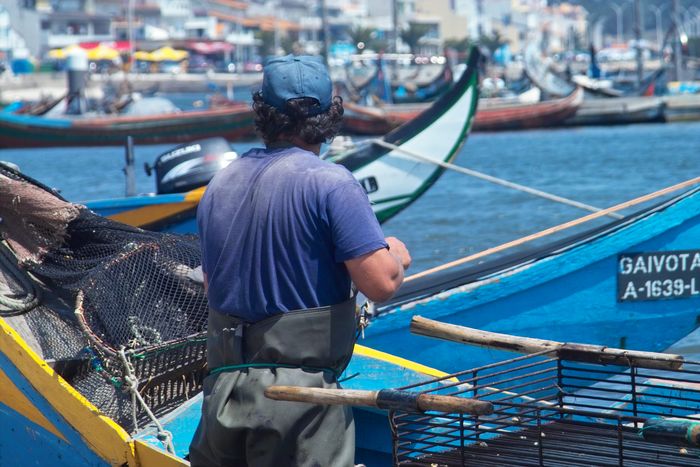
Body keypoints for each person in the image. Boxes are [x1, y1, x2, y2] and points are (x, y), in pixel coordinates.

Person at [189, 54, 411, 467]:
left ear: (263, 113)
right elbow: (380, 283)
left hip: (223, 393)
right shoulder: (331, 183)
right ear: (330, 116)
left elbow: (214, 285)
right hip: (300, 403)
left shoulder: (220, 183)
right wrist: (394, 253)